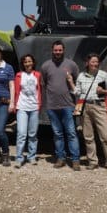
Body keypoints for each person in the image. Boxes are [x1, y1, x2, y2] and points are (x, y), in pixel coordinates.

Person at [40, 40, 81, 171]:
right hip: (52, 106)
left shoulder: (72, 65)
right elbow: (44, 84)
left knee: (71, 133)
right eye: (55, 50)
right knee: (57, 134)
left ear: (64, 50)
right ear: (52, 51)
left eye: (60, 50)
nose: (58, 52)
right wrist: (45, 104)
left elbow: (77, 83)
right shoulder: (46, 66)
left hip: (68, 105)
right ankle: (60, 158)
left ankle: (75, 160)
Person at [74, 52, 107, 171]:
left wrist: (103, 92)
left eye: (97, 62)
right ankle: (93, 162)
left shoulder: (103, 75)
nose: (95, 64)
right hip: (85, 106)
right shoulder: (81, 76)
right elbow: (77, 92)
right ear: (87, 63)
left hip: (99, 106)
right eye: (93, 62)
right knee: (88, 137)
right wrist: (71, 83)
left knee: (105, 136)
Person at [12, 54, 41, 168]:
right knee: (21, 133)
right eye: (25, 62)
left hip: (34, 107)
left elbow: (40, 90)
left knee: (33, 134)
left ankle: (31, 156)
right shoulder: (19, 75)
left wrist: (39, 104)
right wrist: (14, 105)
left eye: (30, 61)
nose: (28, 64)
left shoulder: (38, 75)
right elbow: (16, 91)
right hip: (22, 107)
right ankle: (19, 157)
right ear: (23, 64)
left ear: (33, 63)